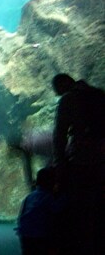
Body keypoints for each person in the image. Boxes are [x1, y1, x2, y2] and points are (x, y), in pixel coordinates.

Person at [51, 73, 105, 254]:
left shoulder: (68, 100)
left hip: (81, 160)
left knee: (81, 209)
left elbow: (59, 136)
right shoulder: (99, 94)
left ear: (61, 86)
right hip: (102, 158)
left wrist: (60, 168)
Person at [16, 167, 64, 255]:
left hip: (25, 234)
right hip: (40, 235)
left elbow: (21, 215)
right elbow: (57, 209)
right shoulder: (48, 197)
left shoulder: (29, 197)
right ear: (51, 182)